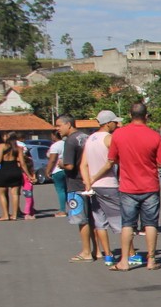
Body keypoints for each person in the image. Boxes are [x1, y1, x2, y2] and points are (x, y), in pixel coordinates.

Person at [102, 102, 161, 271]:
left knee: (127, 224)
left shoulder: (119, 134)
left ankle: (124, 261)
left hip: (128, 186)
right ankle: (151, 260)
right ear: (146, 116)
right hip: (150, 185)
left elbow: (111, 159)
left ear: (130, 115)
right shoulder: (155, 136)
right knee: (151, 224)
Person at [81, 111, 128, 266]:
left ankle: (107, 254)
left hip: (94, 187)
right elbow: (112, 161)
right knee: (121, 221)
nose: (117, 125)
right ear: (108, 123)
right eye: (115, 122)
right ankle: (130, 254)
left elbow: (83, 165)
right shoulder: (109, 138)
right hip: (108, 183)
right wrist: (95, 178)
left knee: (99, 221)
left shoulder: (90, 139)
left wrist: (88, 181)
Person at [56, 114, 96, 261]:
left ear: (69, 125)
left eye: (59, 125)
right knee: (93, 219)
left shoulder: (70, 141)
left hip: (75, 183)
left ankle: (86, 251)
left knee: (81, 219)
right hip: (90, 181)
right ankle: (97, 250)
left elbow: (69, 165)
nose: (57, 129)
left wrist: (60, 164)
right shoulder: (86, 137)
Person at [0, 132, 29, 221]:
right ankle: (15, 215)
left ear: (7, 137)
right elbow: (22, 163)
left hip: (5, 171)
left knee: (2, 193)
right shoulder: (18, 148)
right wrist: (29, 175)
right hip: (15, 170)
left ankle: (5, 215)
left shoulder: (2, 146)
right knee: (15, 194)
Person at [45, 130, 67, 217]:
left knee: (60, 190)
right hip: (67, 168)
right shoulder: (66, 144)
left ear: (54, 136)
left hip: (57, 169)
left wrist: (48, 170)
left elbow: (52, 159)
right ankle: (73, 207)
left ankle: (62, 210)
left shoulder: (55, 146)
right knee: (67, 190)